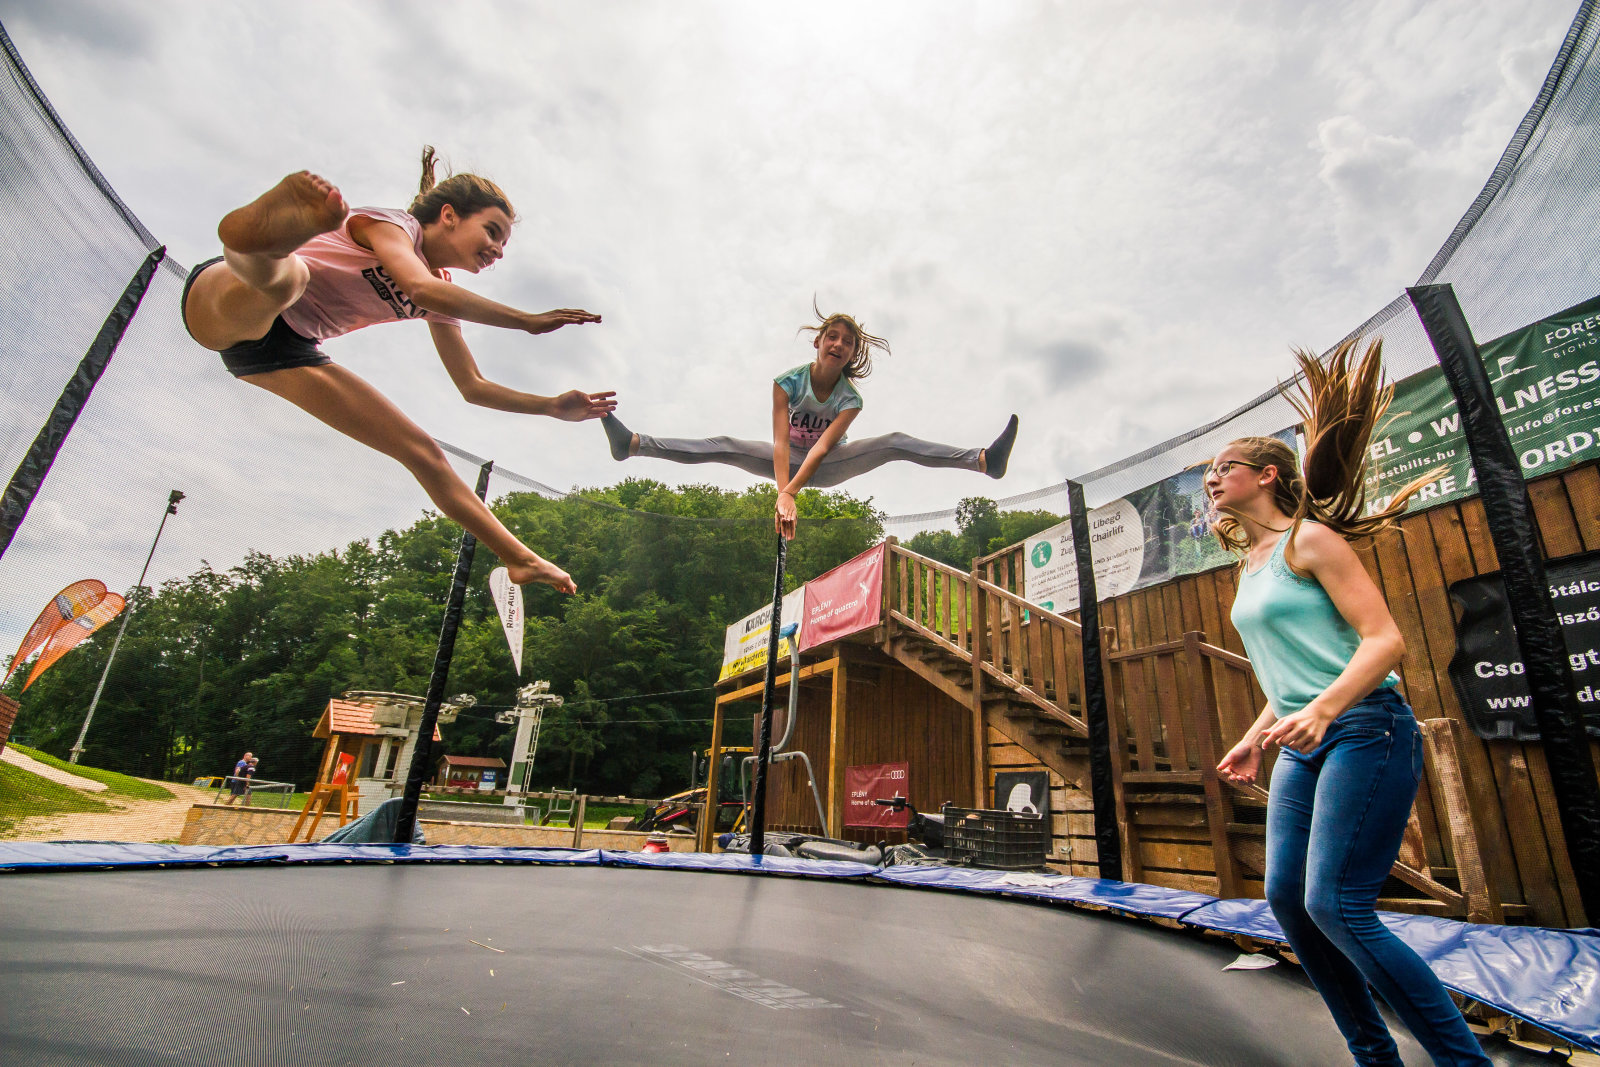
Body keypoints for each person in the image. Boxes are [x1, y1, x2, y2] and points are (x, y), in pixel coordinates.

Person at [1211, 338, 1489, 1066]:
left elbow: (1384, 641)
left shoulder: (1312, 541)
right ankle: (1375, 1054)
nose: (1213, 478)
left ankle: (1466, 1062)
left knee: (1337, 901)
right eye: (1210, 470)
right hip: (1306, 736)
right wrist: (1254, 733)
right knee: (1288, 900)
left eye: (1225, 467)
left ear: (1267, 475)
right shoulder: (1251, 561)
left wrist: (1327, 708)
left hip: (1369, 727)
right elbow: (1288, 676)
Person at [181, 148, 614, 594]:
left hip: (284, 352)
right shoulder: (392, 225)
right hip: (225, 296)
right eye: (492, 231)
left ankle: (520, 559)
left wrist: (551, 406)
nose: (497, 251)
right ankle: (262, 234)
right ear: (448, 215)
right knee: (290, 280)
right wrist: (526, 321)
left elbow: (473, 386)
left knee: (423, 452)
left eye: (503, 243)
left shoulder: (442, 291)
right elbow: (416, 285)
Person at [599, 309, 1018, 538]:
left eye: (848, 341)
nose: (838, 343)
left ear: (852, 354)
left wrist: (791, 493)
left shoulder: (849, 399)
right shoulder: (787, 383)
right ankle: (634, 444)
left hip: (829, 463)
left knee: (892, 442)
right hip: (785, 461)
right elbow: (780, 444)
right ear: (818, 342)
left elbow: (820, 449)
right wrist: (783, 495)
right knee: (724, 443)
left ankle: (982, 461)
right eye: (832, 336)